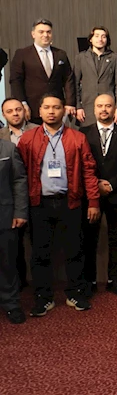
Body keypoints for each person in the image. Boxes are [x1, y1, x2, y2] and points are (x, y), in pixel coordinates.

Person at [18, 94, 100, 316]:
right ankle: (43, 298)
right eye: (47, 107)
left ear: (64, 110)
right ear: (40, 111)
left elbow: (89, 171)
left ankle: (75, 293)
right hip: (39, 204)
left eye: (56, 107)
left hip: (70, 202)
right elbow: (21, 175)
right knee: (40, 253)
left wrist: (93, 201)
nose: (51, 111)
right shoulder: (28, 139)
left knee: (75, 250)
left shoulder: (77, 138)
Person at [79, 94, 117, 296]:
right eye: (100, 106)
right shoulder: (83, 133)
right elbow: (80, 163)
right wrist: (96, 184)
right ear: (94, 109)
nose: (104, 109)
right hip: (91, 195)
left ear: (114, 109)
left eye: (108, 106)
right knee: (89, 239)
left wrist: (111, 184)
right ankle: (91, 281)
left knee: (116, 239)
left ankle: (114, 280)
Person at [0, 98, 38, 289]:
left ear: (24, 110)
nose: (15, 114)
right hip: (11, 198)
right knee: (13, 247)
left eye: (18, 109)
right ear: (3, 114)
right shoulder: (1, 137)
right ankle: (19, 285)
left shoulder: (38, 131)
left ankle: (40, 287)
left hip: (38, 193)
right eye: (9, 111)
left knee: (39, 244)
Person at [10, 18, 77, 124]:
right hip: (32, 109)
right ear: (33, 34)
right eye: (41, 32)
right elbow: (16, 81)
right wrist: (22, 103)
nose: (45, 35)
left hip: (56, 108)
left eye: (48, 32)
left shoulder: (60, 54)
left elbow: (68, 79)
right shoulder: (22, 54)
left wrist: (69, 103)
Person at [0, 138, 28, 324]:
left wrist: (20, 211)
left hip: (5, 215)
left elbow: (19, 180)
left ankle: (11, 303)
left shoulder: (8, 148)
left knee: (7, 263)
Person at [73, 26, 117, 127]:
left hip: (109, 107)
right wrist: (78, 107)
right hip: (87, 107)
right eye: (96, 36)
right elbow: (75, 84)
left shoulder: (115, 58)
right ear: (91, 39)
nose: (100, 39)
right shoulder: (81, 58)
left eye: (103, 36)